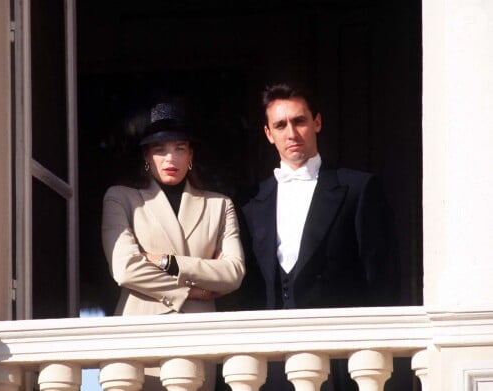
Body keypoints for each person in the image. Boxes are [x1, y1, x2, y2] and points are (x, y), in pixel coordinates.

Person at [238, 82, 400, 390]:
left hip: (341, 360)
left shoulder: (359, 188)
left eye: (299, 121)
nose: (292, 133)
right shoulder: (249, 201)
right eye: (280, 125)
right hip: (273, 362)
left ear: (317, 122)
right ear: (268, 134)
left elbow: (382, 282)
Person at [101, 102, 245, 391]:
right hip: (140, 334)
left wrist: (168, 262)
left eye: (180, 148)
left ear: (191, 154)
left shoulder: (219, 204)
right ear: (146, 156)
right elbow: (125, 270)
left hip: (198, 334)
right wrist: (192, 290)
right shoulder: (121, 198)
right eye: (160, 149)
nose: (171, 158)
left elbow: (233, 272)